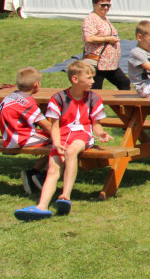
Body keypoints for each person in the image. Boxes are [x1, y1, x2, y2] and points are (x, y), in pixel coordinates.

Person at [14, 61, 112, 221]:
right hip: (63, 136)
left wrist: (101, 134)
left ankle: (65, 196)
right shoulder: (58, 98)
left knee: (72, 152)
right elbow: (54, 126)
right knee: (53, 169)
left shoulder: (94, 98)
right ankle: (42, 206)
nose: (93, 81)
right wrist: (57, 143)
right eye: (89, 78)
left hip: (83, 135)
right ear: (75, 79)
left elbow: (96, 124)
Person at [1, 67, 52, 197]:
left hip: (8, 137)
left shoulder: (10, 96)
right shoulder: (28, 103)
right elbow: (47, 126)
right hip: (20, 138)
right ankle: (40, 175)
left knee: (54, 140)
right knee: (60, 141)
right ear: (36, 85)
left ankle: (34, 173)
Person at [81, 0, 129, 90]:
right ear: (94, 5)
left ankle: (120, 105)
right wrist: (108, 39)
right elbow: (89, 38)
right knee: (96, 90)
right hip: (97, 63)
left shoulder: (103, 18)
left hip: (108, 64)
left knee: (124, 82)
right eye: (103, 5)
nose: (106, 8)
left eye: (108, 5)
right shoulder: (91, 19)